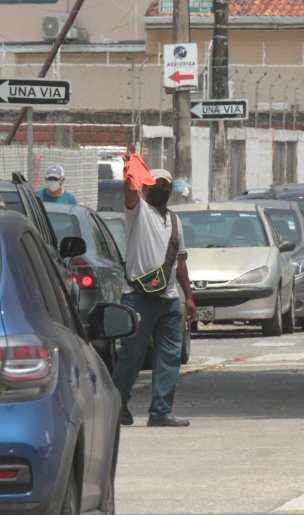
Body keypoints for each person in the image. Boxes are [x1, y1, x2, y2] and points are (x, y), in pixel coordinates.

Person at [111, 165, 197, 428]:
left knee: (170, 355)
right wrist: (130, 173)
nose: (159, 189)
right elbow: (129, 192)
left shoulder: (174, 220)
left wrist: (188, 296)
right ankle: (115, 404)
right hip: (138, 297)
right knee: (132, 355)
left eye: (164, 186)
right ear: (145, 188)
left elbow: (179, 261)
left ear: (170, 191)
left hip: (169, 299)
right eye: (154, 185)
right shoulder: (138, 212)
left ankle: (160, 411)